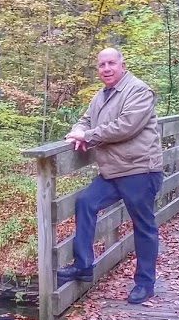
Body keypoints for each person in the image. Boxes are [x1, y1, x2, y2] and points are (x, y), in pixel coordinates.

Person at [58, 48, 164, 304]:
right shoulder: (100, 95)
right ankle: (83, 265)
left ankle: (145, 283)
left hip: (140, 169)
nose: (106, 68)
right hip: (112, 171)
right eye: (101, 65)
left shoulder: (138, 90)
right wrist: (78, 132)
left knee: (143, 226)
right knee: (86, 202)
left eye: (111, 63)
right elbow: (85, 121)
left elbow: (126, 127)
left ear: (122, 65)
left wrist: (90, 136)